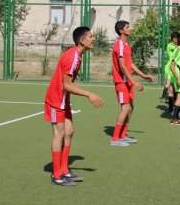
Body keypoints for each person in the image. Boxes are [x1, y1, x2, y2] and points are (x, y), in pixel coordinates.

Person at [44, 26, 104, 186]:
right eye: (91, 36)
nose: (94, 39)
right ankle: (57, 175)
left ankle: (64, 170)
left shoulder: (77, 55)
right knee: (59, 134)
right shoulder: (73, 57)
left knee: (69, 132)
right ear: (82, 41)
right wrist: (89, 94)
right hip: (56, 99)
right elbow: (66, 85)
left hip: (63, 99)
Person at [110, 20, 154, 147]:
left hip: (127, 82)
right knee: (125, 108)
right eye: (127, 27)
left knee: (131, 108)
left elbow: (130, 64)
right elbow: (123, 67)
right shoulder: (119, 46)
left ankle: (123, 135)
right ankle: (115, 138)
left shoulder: (126, 45)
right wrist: (134, 82)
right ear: (121, 31)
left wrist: (143, 76)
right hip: (121, 82)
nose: (130, 29)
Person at [161, 31, 179, 112]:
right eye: (177, 38)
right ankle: (166, 99)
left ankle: (172, 104)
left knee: (172, 85)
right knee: (169, 84)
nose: (178, 39)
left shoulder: (176, 46)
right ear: (173, 38)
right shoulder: (170, 45)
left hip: (173, 67)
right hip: (169, 67)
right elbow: (178, 49)